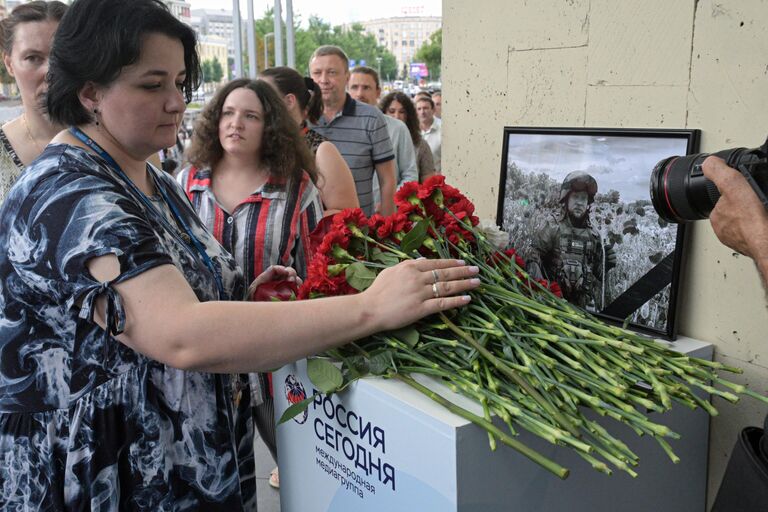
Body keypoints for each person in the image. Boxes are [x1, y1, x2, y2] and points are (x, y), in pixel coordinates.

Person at [0, 0, 480, 509]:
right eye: (151, 84)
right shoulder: (71, 193)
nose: (176, 103)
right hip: (109, 475)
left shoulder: (151, 179)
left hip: (176, 460)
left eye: (179, 83)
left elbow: (160, 297)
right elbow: (182, 335)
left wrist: (236, 294)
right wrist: (373, 307)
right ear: (91, 91)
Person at [178, 78, 323, 492]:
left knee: (301, 467)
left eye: (250, 115)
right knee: (215, 481)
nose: (235, 123)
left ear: (270, 127)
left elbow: (317, 275)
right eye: (227, 112)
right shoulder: (187, 182)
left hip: (273, 356)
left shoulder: (297, 188)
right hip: (205, 357)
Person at [308, 45, 396, 216]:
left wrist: (387, 231)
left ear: (347, 77)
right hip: (309, 233)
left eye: (332, 72)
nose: (323, 80)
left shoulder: (371, 118)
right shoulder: (299, 119)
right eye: (317, 73)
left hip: (358, 232)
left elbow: (387, 180)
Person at [259, 65, 359, 216]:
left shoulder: (322, 151)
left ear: (289, 101)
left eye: (262, 96)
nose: (253, 101)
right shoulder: (257, 145)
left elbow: (347, 215)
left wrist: (288, 224)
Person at [0, 0, 67, 205]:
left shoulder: (122, 142)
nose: (49, 72)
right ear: (10, 64)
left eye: (61, 55)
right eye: (32, 58)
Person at [527, 171, 616, 309]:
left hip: (583, 308)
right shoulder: (552, 226)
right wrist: (542, 291)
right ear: (566, 198)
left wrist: (606, 265)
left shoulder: (594, 235)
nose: (580, 202)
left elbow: (597, 275)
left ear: (588, 202)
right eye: (575, 197)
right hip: (552, 304)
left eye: (583, 198)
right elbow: (533, 257)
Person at [349, 66, 418, 207]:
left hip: (386, 217)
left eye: (366, 88)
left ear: (378, 92)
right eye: (354, 87)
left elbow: (410, 176)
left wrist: (388, 203)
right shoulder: (338, 129)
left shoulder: (398, 128)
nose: (359, 93)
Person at [380, 90, 437, 182]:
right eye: (392, 111)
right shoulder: (375, 141)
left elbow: (429, 183)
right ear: (384, 113)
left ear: (408, 115)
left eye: (402, 112)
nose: (396, 116)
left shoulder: (420, 144)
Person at [417, 94, 442, 174]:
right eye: (419, 109)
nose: (422, 112)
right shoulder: (411, 130)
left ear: (433, 110)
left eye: (425, 108)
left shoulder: (442, 129)